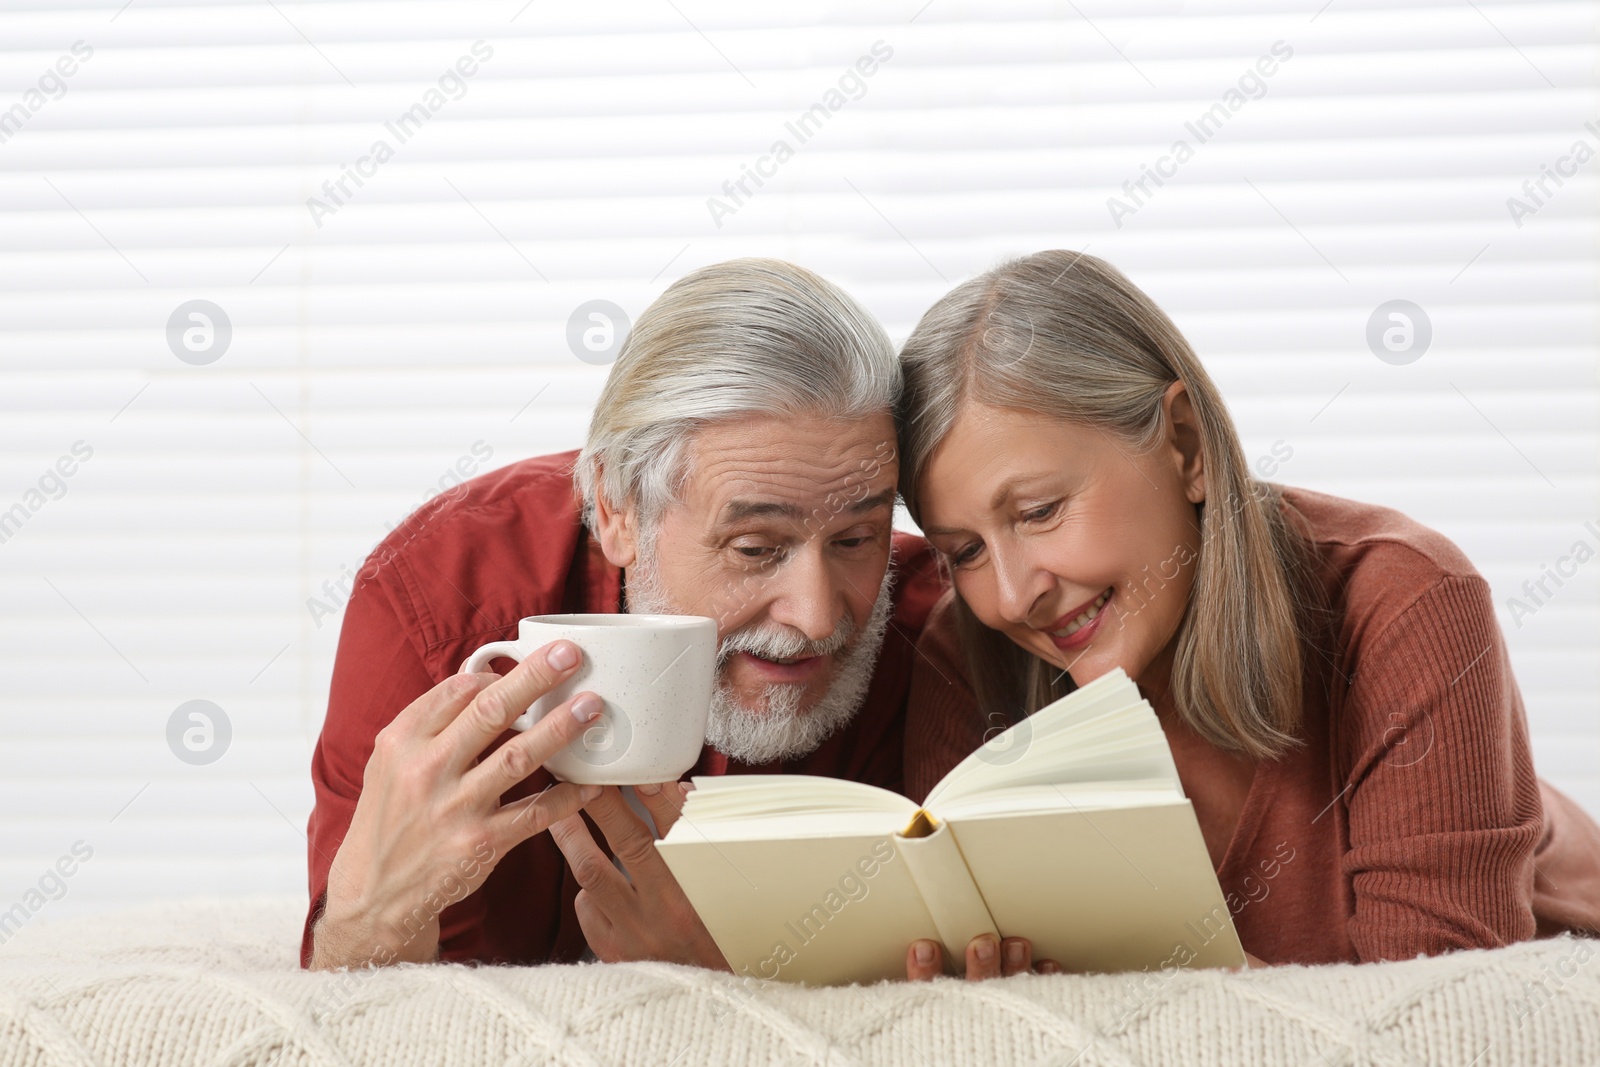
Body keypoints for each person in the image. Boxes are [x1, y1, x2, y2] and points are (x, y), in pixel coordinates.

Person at [894, 249, 1600, 974]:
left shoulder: (1407, 603)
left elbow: (1438, 1023)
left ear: (1187, 444)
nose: (1012, 596)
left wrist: (1124, 986)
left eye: (1040, 511)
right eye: (965, 551)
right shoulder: (965, 650)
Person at [301, 258, 958, 971]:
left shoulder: (935, 628)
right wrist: (372, 917)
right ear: (616, 509)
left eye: (858, 538)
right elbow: (351, 1002)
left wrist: (744, 975)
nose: (816, 613)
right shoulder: (435, 605)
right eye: (756, 547)